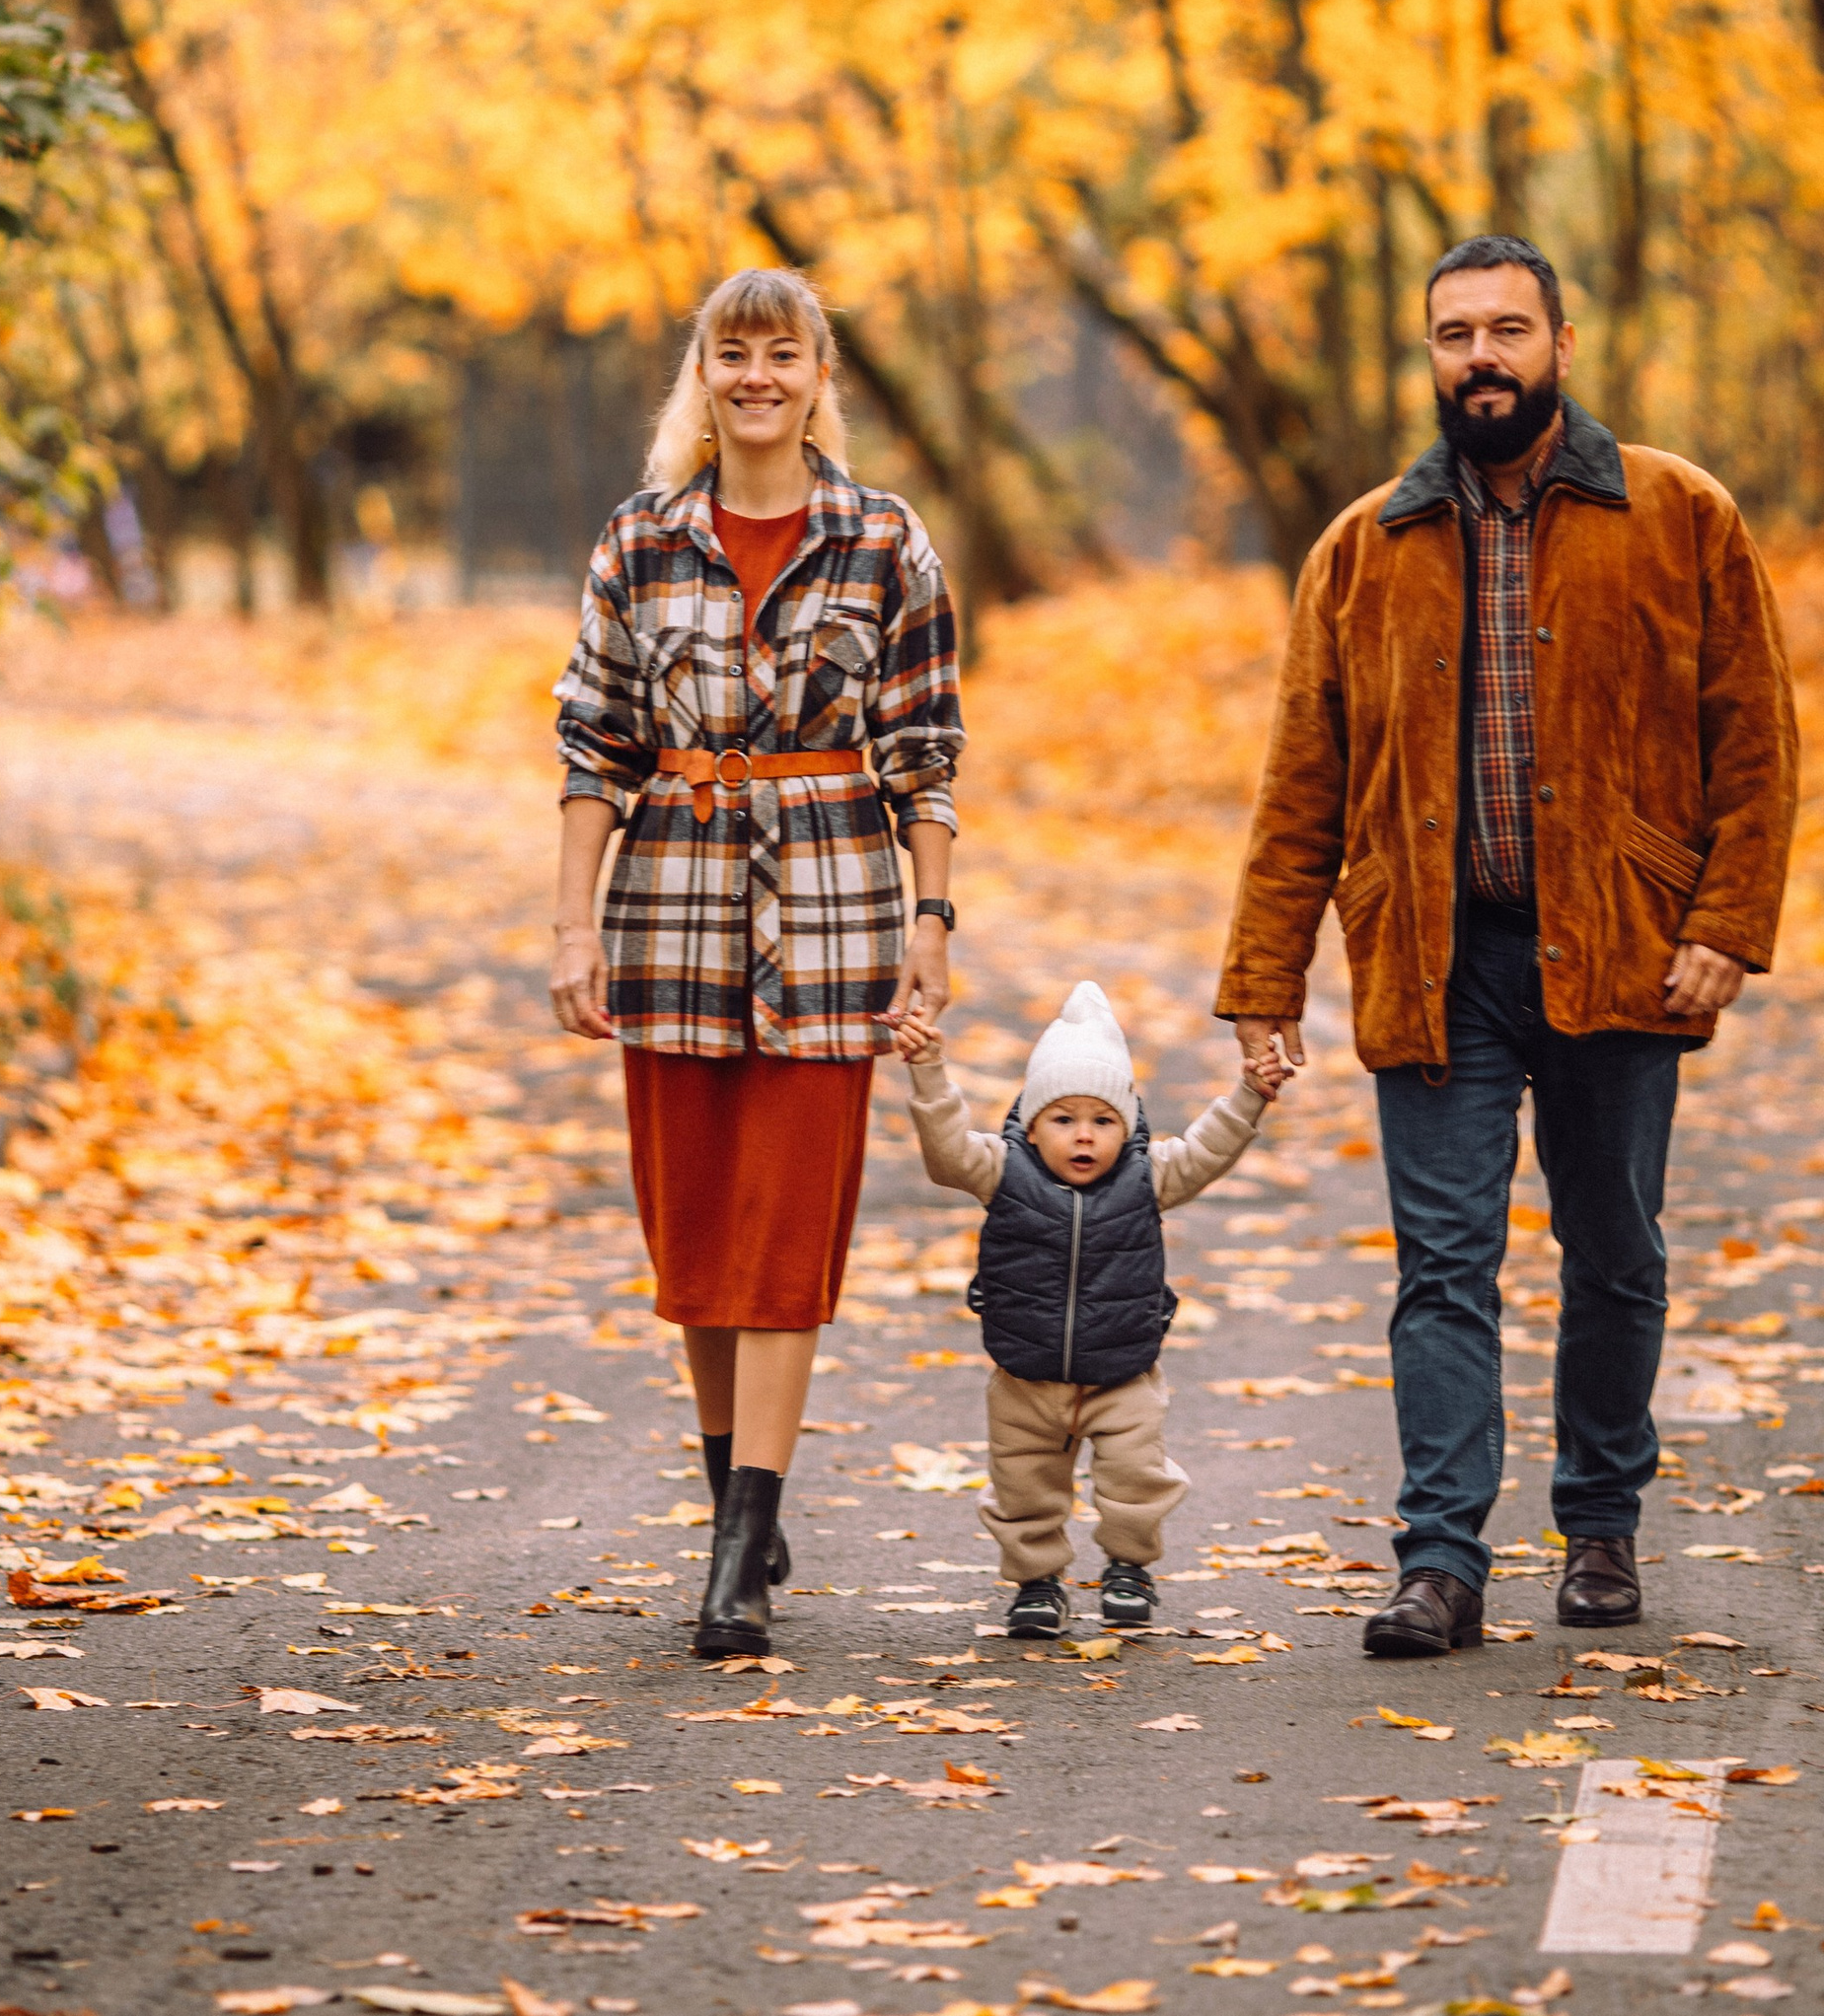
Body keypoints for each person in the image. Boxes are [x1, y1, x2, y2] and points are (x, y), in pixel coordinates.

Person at [1217, 234, 1796, 1656]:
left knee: (1612, 1252)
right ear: (1428, 356)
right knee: (1442, 1262)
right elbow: (1304, 777)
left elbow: (1758, 741)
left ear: (1560, 344)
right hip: (1436, 958)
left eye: (1507, 330)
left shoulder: (1679, 514)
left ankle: (1599, 1531)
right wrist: (1263, 977)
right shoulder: (1366, 546)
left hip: (1620, 948)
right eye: (1454, 334)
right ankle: (1441, 1563)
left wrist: (1726, 923)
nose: (1481, 357)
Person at [550, 267, 964, 1660]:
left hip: (836, 913)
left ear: (818, 371)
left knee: (786, 1234)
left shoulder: (886, 542)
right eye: (732, 355)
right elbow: (591, 746)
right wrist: (570, 926)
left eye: (781, 354)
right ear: (703, 375)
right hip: (668, 908)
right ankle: (735, 1486)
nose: (756, 378)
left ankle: (742, 1548)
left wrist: (931, 923)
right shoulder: (641, 542)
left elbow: (927, 752)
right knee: (698, 1234)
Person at [894, 978, 1290, 1635]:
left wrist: (1251, 1094)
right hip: (1025, 1377)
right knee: (1023, 1491)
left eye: (1103, 1121)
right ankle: (1036, 1584)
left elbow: (1209, 1151)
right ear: (1031, 1123)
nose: (1085, 1137)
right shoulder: (1001, 1170)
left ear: (1128, 1125)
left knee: (1138, 1478)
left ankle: (1129, 1568)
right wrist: (929, 1070)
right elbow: (946, 1150)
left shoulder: (1149, 1176)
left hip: (1123, 1374)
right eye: (1065, 1119)